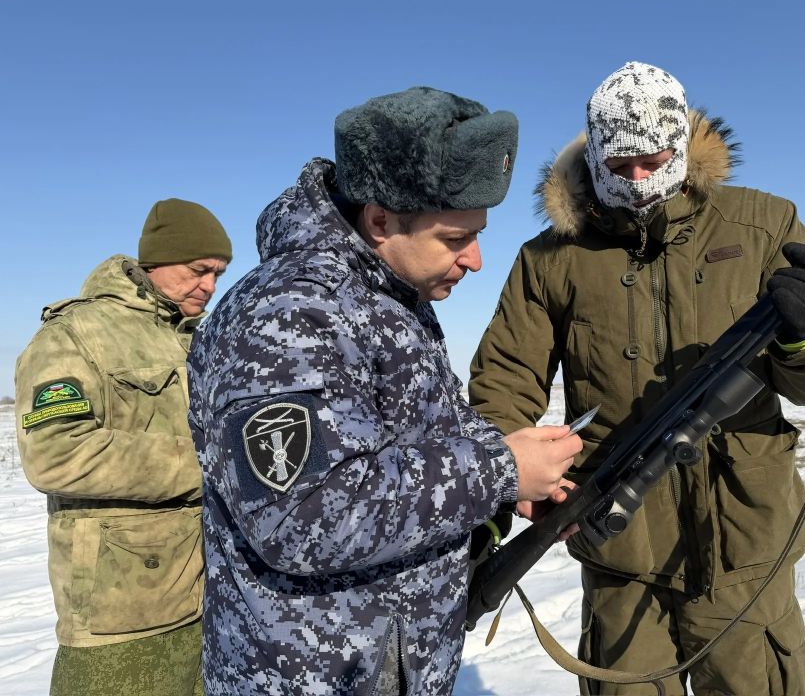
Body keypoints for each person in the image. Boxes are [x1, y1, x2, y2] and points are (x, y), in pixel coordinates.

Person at [468, 62, 805, 696]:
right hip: (615, 546)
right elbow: (505, 379)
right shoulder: (549, 259)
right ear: (594, 155)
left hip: (744, 543)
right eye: (619, 165)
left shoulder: (764, 225)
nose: (637, 179)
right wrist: (501, 481)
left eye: (652, 160)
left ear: (680, 146)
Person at [186, 86, 582, 695]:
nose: (475, 260)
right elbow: (300, 516)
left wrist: (522, 482)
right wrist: (498, 470)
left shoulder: (389, 300)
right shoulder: (289, 314)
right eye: (455, 239)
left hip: (391, 669)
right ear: (379, 221)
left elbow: (425, 428)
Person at [15, 198, 233, 696]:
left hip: (211, 593)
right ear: (156, 261)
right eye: (199, 270)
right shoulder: (75, 334)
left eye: (219, 273)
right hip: (124, 607)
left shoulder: (202, 339)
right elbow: (57, 455)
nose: (210, 286)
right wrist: (210, 463)